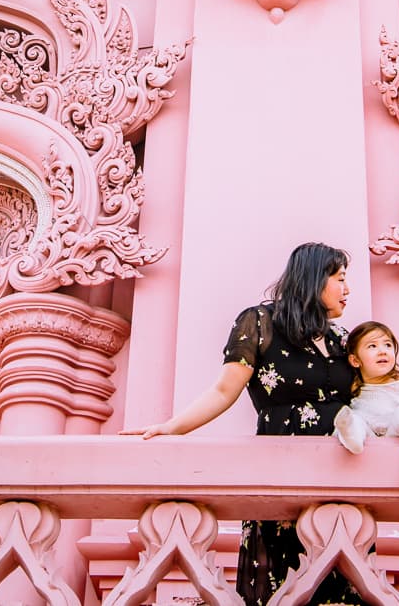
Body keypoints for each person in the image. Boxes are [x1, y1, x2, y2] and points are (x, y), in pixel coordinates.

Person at [123, 242, 363, 605]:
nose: (348, 290)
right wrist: (170, 427)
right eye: (341, 279)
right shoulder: (260, 323)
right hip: (281, 478)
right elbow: (224, 390)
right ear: (315, 279)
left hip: (345, 482)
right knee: (283, 587)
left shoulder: (343, 340)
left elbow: (373, 400)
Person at [334, 321, 399, 476]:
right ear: (355, 361)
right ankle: (352, 439)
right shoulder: (356, 392)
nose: (382, 351)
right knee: (354, 418)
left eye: (387, 345)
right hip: (369, 433)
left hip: (394, 432)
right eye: (372, 346)